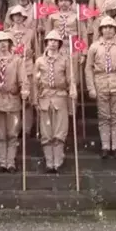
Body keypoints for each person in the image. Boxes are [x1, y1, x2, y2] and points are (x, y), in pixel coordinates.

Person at [85, 17, 116, 159]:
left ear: (115, 29)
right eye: (105, 27)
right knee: (103, 116)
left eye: (111, 27)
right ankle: (105, 145)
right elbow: (88, 68)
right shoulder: (94, 47)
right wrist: (91, 88)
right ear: (100, 30)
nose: (108, 30)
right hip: (100, 82)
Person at [0, 31, 30, 172]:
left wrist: (24, 90)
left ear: (10, 44)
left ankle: (11, 162)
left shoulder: (17, 60)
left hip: (13, 99)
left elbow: (23, 79)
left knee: (12, 133)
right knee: (0, 134)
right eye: (0, 42)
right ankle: (2, 162)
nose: (3, 45)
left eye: (6, 42)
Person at [34, 30, 77, 173]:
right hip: (45, 96)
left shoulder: (65, 59)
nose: (52, 43)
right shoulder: (39, 61)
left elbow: (70, 78)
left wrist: (72, 89)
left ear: (59, 44)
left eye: (55, 41)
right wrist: (35, 99)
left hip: (60, 96)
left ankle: (57, 161)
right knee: (46, 131)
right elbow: (35, 81)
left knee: (60, 130)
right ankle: (49, 161)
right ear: (46, 43)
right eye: (50, 40)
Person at [6, 5, 37, 135]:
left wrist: (32, 53)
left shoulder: (30, 32)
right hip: (13, 69)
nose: (18, 18)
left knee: (27, 100)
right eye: (15, 15)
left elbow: (37, 49)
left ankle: (27, 129)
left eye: (20, 15)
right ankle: (15, 128)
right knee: (14, 100)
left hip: (27, 67)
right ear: (12, 17)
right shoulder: (7, 33)